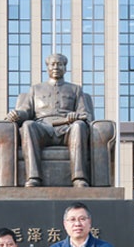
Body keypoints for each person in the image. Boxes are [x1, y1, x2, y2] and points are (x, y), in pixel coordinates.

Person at [5, 53, 92, 188]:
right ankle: (33, 177)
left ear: (65, 68)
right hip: (42, 128)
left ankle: (79, 178)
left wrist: (75, 116)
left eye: (60, 64)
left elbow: (85, 114)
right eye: (53, 64)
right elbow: (26, 111)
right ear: (47, 68)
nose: (56, 67)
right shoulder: (35, 89)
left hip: (67, 128)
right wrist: (16, 114)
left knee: (79, 126)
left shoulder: (75, 89)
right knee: (28, 125)